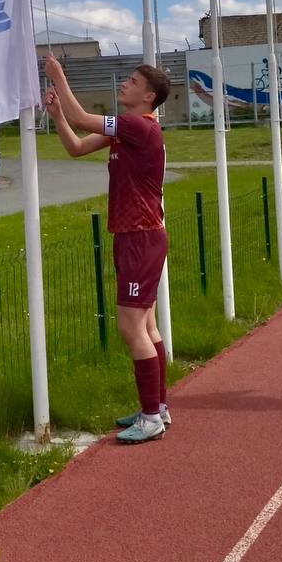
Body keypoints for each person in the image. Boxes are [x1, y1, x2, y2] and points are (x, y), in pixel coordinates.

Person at [44, 54, 171, 443]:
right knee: (146, 325)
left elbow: (84, 118)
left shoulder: (138, 126)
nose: (125, 85)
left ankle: (151, 416)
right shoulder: (128, 130)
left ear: (148, 96)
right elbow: (78, 146)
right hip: (135, 235)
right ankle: (158, 407)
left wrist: (59, 76)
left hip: (141, 236)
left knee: (129, 326)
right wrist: (57, 118)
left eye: (132, 82)